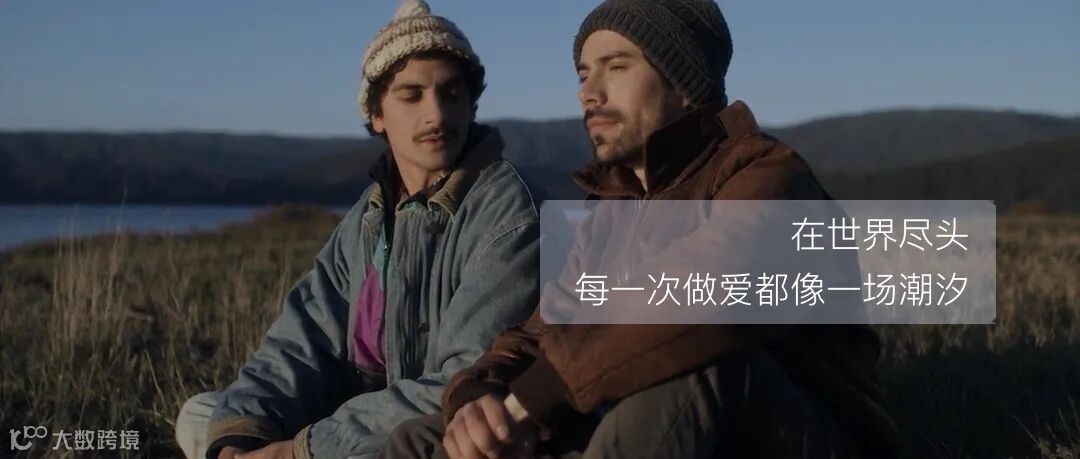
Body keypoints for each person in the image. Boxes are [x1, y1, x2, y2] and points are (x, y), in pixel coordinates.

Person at [381, 0, 900, 457]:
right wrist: (479, 398)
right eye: (583, 74)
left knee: (685, 371)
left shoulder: (768, 178)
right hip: (647, 427)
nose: (589, 93)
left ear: (683, 85)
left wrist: (534, 401)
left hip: (792, 434)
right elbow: (543, 334)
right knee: (424, 440)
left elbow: (700, 294)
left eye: (616, 67)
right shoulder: (611, 213)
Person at [174, 1, 540, 457]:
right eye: (412, 96)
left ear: (471, 105)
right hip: (358, 428)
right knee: (205, 414)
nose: (436, 115)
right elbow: (301, 342)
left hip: (438, 434)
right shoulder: (370, 215)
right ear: (377, 114)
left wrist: (302, 450)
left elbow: (465, 382)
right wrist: (241, 438)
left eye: (451, 94)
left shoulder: (506, 211)